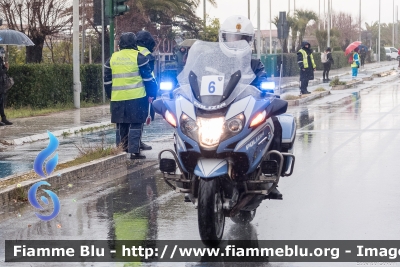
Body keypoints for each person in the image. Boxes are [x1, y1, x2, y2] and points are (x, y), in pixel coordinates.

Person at [218, 15, 282, 200]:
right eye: (232, 38)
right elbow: (197, 79)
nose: (236, 43)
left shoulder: (254, 64)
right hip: (217, 109)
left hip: (243, 111)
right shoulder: (215, 62)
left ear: (249, 41)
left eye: (241, 39)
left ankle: (270, 174)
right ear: (223, 38)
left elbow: (263, 81)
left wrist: (266, 89)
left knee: (274, 122)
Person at [104, 32, 157, 159]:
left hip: (117, 98)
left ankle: (121, 150)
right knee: (136, 124)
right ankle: (134, 151)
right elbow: (148, 79)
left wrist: (110, 95)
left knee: (121, 124)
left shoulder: (112, 59)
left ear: (120, 45)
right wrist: (152, 94)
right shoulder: (139, 58)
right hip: (137, 97)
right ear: (134, 43)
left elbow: (107, 80)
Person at [136, 30, 157, 122]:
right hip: (143, 90)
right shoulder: (148, 55)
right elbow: (148, 76)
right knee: (141, 120)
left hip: (124, 94)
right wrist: (152, 93)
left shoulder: (130, 50)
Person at [0, 46, 12, 126]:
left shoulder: (1, 60)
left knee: (1, 103)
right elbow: (0, 72)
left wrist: (4, 66)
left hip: (2, 84)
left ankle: (3, 118)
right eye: (2, 52)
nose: (3, 53)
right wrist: (6, 69)